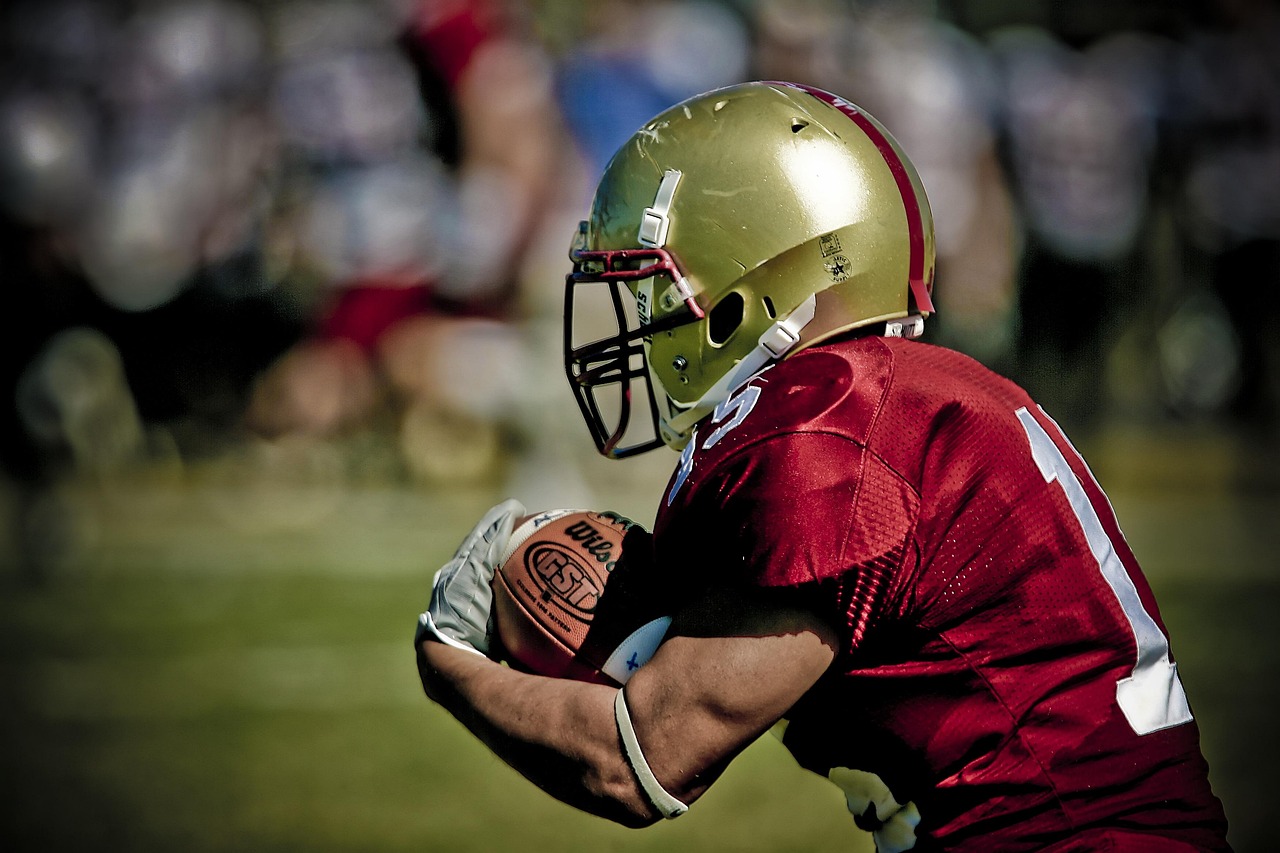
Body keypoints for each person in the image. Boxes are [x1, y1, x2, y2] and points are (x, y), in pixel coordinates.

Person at [415, 81, 1231, 851]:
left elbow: (641, 759)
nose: (641, 329)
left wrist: (449, 659)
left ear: (747, 287)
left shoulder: (826, 432)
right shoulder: (886, 397)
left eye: (658, 295)